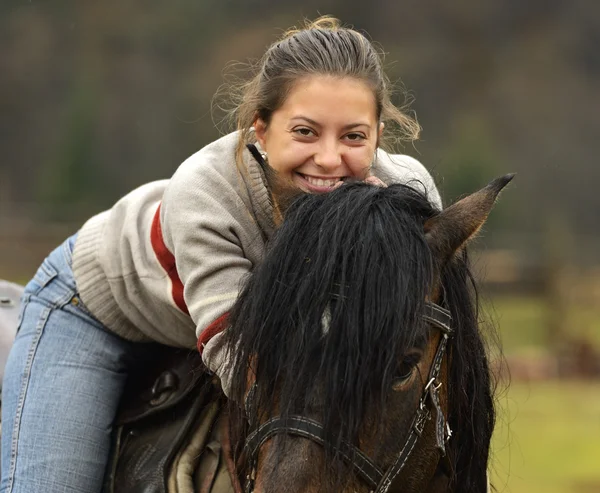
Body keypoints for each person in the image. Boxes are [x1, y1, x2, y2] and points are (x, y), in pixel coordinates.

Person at [0, 16, 441, 493]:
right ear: (261, 129)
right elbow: (240, 359)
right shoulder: (204, 193)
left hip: (192, 316)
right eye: (305, 132)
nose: (331, 159)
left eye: (353, 136)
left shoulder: (407, 193)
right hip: (95, 307)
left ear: (378, 135)